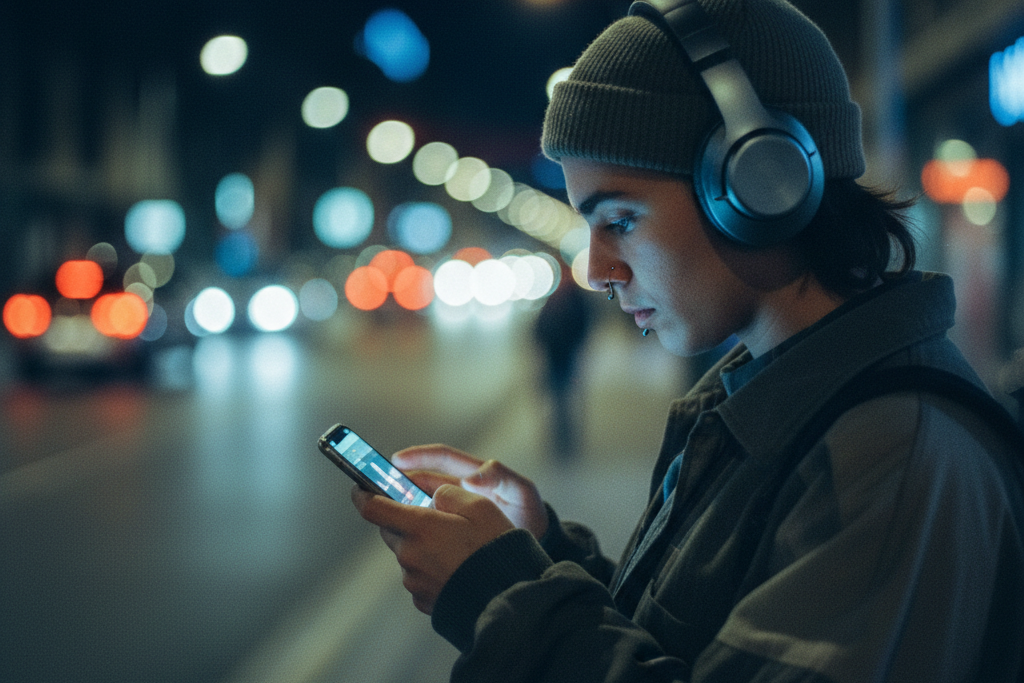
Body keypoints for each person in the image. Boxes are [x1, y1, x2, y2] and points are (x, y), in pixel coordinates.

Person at [352, 0, 1024, 681]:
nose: (594, 270)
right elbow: (700, 648)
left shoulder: (889, 453)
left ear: (759, 184)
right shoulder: (776, 397)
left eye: (619, 219)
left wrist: (500, 599)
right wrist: (543, 557)